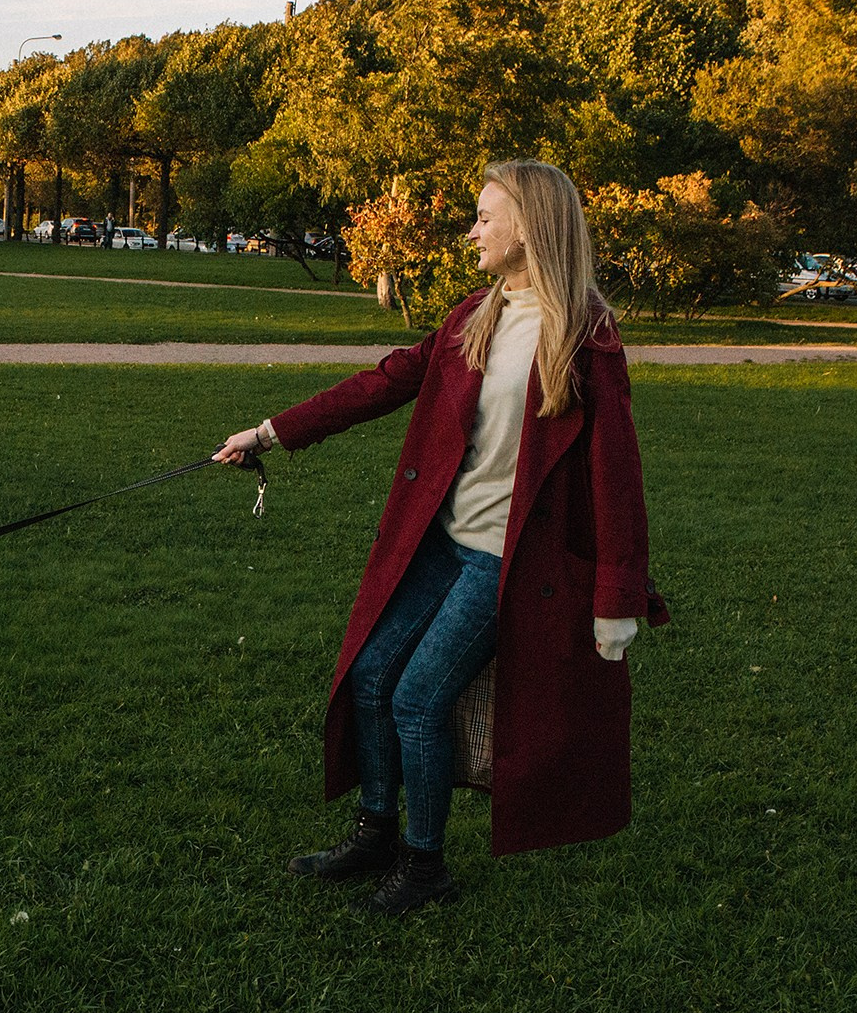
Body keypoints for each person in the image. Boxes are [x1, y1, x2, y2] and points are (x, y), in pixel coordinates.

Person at [214, 159, 667, 917]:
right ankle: (378, 832)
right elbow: (384, 382)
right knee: (371, 674)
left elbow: (617, 474)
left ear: (529, 227)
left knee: (420, 697)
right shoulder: (473, 315)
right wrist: (269, 432)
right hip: (445, 544)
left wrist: (617, 594)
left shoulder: (585, 335)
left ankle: (426, 866)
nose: (473, 231)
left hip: (507, 563)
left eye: (486, 217)